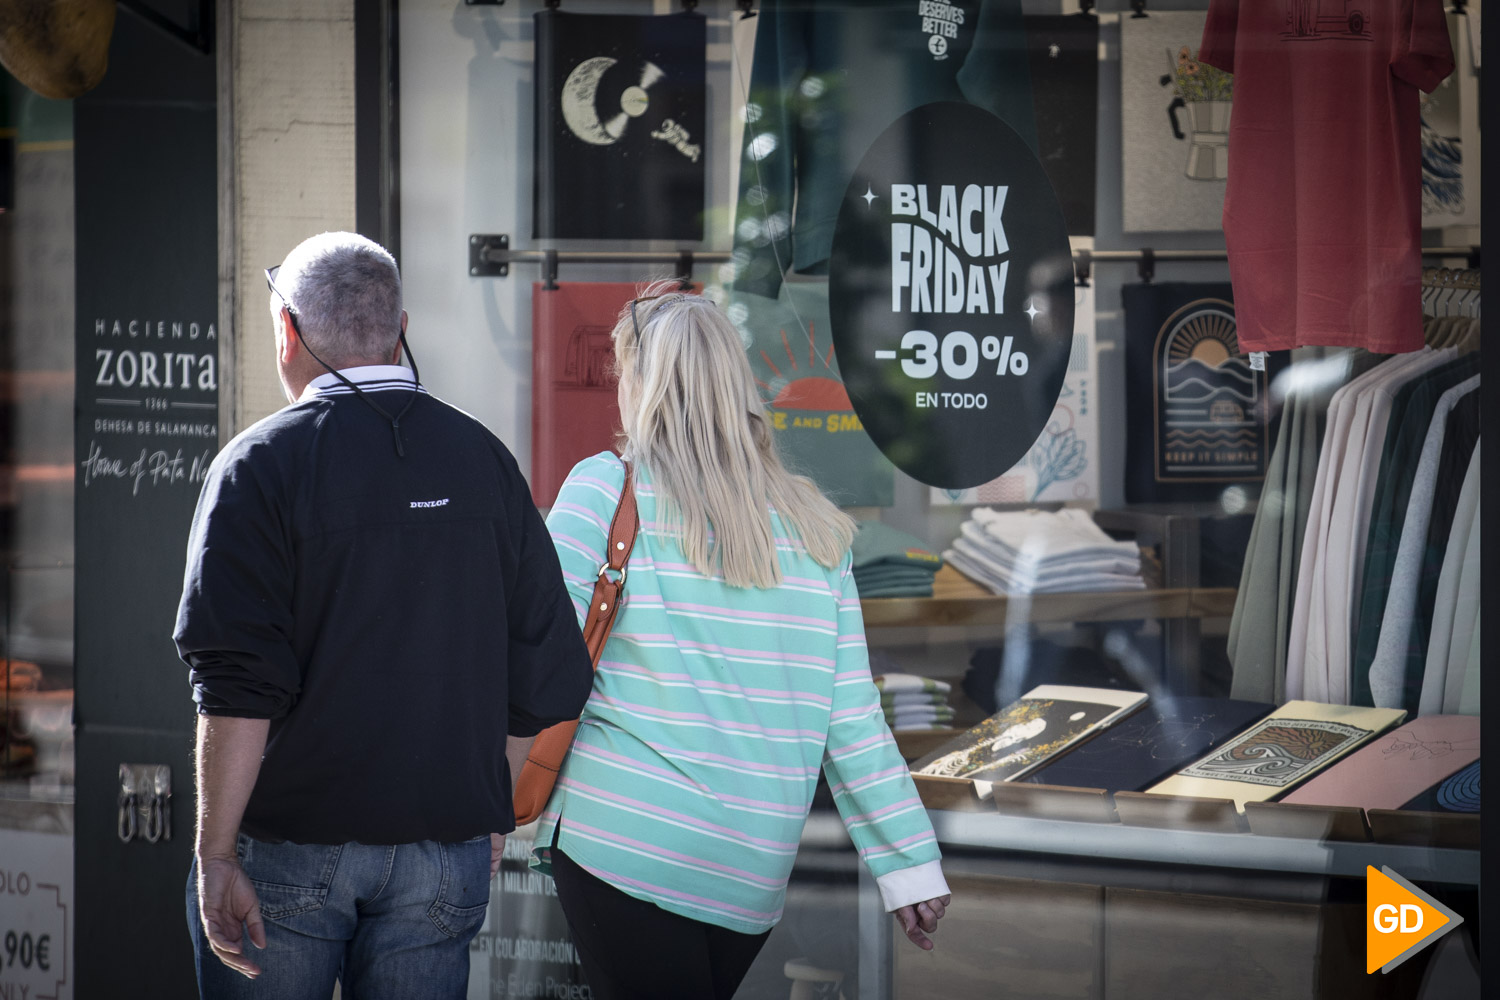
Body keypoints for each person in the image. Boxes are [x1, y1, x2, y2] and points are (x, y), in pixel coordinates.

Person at [175, 231, 594, 998]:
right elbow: (548, 671)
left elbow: (236, 684)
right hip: (445, 848)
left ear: (288, 333)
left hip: (290, 847)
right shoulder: (485, 459)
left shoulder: (257, 466)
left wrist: (216, 855)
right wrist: (486, 807)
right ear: (401, 331)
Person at [532, 282, 952, 1000]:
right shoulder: (816, 527)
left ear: (643, 382)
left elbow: (534, 660)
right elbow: (852, 719)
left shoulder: (606, 491)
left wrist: (471, 804)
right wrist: (908, 865)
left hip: (623, 845)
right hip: (751, 873)